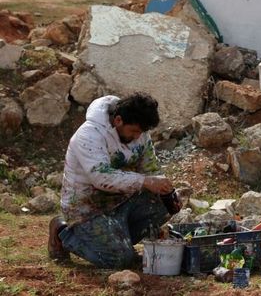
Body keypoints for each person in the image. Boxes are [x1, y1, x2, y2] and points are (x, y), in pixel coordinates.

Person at [49, 93, 178, 268]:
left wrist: (163, 186)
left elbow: (150, 168)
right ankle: (63, 233)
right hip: (86, 208)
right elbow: (101, 177)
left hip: (121, 201)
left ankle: (116, 241)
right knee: (119, 260)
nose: (137, 137)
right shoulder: (88, 135)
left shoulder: (140, 133)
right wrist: (145, 181)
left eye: (141, 132)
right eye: (134, 131)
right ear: (118, 120)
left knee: (164, 203)